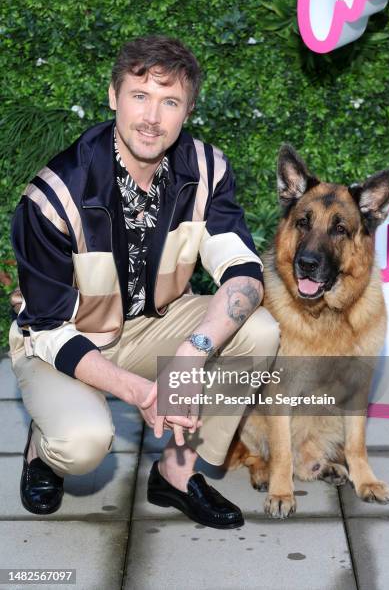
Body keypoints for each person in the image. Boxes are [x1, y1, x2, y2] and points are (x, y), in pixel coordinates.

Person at [9, 35, 280, 529]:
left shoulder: (206, 172)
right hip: (64, 336)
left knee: (258, 329)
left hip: (156, 322)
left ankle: (176, 474)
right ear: (113, 97)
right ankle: (42, 450)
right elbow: (46, 325)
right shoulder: (53, 196)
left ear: (187, 110)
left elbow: (243, 273)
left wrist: (193, 352)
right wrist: (141, 392)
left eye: (169, 101)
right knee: (82, 445)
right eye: (140, 95)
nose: (152, 117)